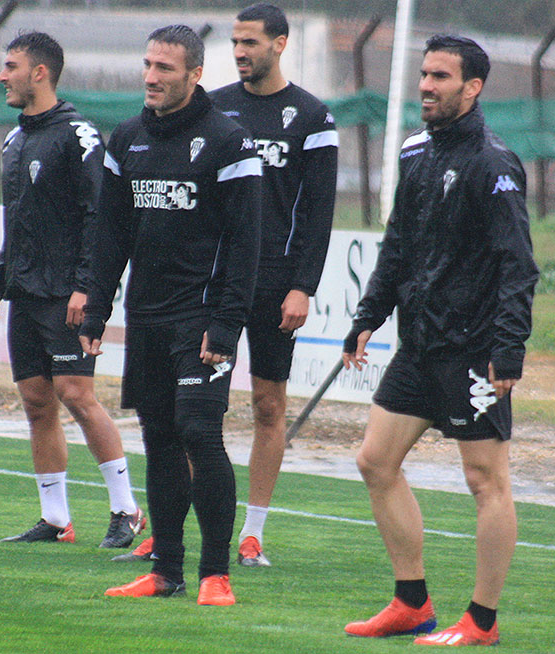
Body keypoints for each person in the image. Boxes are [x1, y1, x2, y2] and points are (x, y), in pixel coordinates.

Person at [342, 35, 539, 646]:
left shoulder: (493, 163)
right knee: (375, 461)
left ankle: (481, 620)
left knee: (486, 481)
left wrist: (508, 351)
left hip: (474, 351)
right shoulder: (416, 150)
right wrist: (368, 314)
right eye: (423, 74)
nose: (426, 85)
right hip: (420, 345)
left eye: (440, 77)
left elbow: (517, 266)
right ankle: (412, 603)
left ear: (472, 87)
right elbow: (398, 242)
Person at [79, 25, 261, 606]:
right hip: (149, 317)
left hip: (203, 317)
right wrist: (95, 309)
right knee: (158, 439)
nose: (152, 77)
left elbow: (245, 243)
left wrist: (227, 323)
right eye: (148, 65)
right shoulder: (127, 138)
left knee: (201, 433)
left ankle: (215, 574)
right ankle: (166, 572)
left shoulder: (229, 143)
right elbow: (110, 235)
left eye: (166, 68)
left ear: (195, 75)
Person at [0, 31, 144, 548]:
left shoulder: (78, 136)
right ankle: (56, 520)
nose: (2, 76)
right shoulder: (15, 139)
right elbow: (17, 221)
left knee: (77, 394)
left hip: (66, 294)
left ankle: (126, 511)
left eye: (11, 67)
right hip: (25, 293)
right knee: (35, 401)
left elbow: (101, 217)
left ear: (40, 73)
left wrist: (86, 288)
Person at [208, 2, 338, 567]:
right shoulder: (212, 108)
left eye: (251, 43)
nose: (240, 52)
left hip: (275, 283)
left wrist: (302, 285)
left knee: (267, 405)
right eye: (235, 43)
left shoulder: (311, 116)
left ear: (279, 44)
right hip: (216, 282)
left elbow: (318, 211)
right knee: (199, 406)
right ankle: (175, 524)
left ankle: (252, 533)